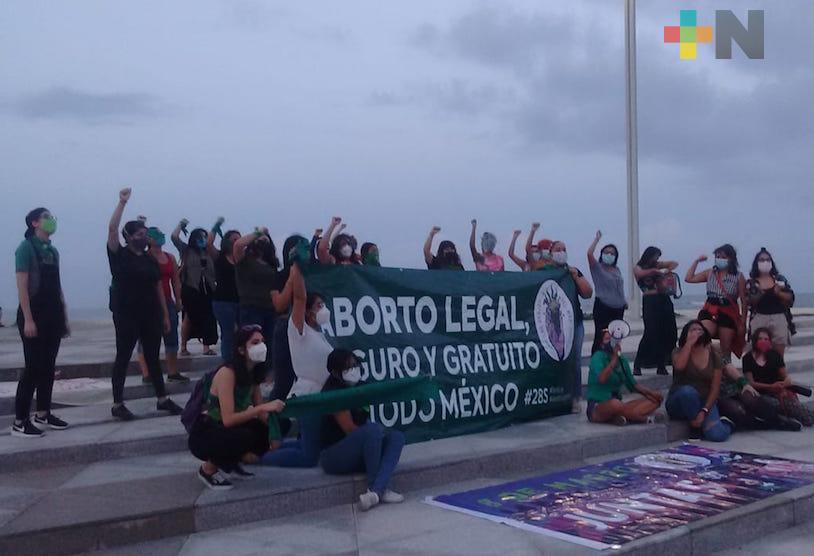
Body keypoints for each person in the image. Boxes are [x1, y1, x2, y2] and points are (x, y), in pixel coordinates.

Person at [107, 188, 182, 420]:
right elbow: (111, 229)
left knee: (152, 356)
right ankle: (118, 403)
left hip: (150, 315)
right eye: (138, 233)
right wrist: (122, 203)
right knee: (123, 356)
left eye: (144, 233)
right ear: (128, 236)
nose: (142, 237)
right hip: (126, 314)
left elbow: (157, 286)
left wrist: (165, 315)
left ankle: (162, 399)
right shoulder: (119, 254)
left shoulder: (150, 259)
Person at [188, 325, 285, 490]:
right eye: (255, 343)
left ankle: (231, 462)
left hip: (227, 428)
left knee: (271, 428)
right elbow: (228, 419)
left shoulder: (253, 372)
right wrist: (261, 409)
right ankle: (208, 470)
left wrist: (274, 432)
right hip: (207, 430)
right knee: (243, 435)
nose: (261, 346)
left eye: (262, 342)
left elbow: (260, 408)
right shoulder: (228, 373)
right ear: (241, 349)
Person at [262, 259, 333, 468]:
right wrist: (297, 269)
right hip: (307, 397)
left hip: (322, 398)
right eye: (319, 306)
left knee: (310, 446)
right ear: (308, 311)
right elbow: (300, 297)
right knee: (309, 457)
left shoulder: (321, 333)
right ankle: (260, 458)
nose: (323, 309)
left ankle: (272, 449)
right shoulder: (298, 331)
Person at [319, 348, 406, 511]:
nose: (353, 370)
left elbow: (386, 391)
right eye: (347, 368)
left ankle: (375, 493)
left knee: (397, 437)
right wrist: (375, 435)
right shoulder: (333, 394)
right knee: (373, 430)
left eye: (355, 365)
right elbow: (350, 430)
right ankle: (378, 487)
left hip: (358, 451)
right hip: (334, 456)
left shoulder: (361, 387)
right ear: (336, 372)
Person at [12, 207, 70, 437]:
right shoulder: (25, 248)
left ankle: (43, 413)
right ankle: (19, 420)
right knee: (33, 368)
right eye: (46, 217)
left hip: (53, 314)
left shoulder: (53, 251)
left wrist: (63, 316)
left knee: (48, 367)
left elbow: (58, 286)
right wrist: (28, 319)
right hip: (33, 314)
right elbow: (22, 286)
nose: (50, 221)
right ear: (34, 223)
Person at [666, 320, 733, 441]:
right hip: (679, 400)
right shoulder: (678, 351)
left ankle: (727, 424)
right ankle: (694, 427)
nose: (696, 332)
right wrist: (689, 344)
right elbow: (679, 366)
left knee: (717, 435)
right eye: (692, 330)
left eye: (699, 330)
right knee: (688, 392)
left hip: (704, 401)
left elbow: (715, 388)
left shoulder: (714, 355)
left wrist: (705, 410)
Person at [136, 226, 187, 383]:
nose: (160, 237)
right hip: (148, 302)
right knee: (145, 338)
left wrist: (178, 300)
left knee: (171, 337)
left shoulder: (169, 257)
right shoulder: (143, 257)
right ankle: (146, 373)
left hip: (167, 301)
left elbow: (176, 281)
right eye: (155, 235)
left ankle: (172, 371)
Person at [549, 240, 593, 413]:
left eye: (564, 249)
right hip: (553, 325)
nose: (561, 252)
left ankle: (575, 397)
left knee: (574, 360)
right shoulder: (544, 272)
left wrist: (576, 276)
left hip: (575, 323)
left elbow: (588, 293)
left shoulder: (572, 271)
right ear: (550, 252)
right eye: (558, 249)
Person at [586, 330, 664, 426]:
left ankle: (619, 417)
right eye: (607, 339)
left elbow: (633, 385)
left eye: (613, 339)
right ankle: (644, 418)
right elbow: (602, 379)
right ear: (601, 343)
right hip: (598, 405)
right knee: (615, 404)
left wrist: (652, 393)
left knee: (654, 401)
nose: (611, 342)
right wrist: (614, 360)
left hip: (618, 404)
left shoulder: (622, 360)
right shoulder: (597, 357)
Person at [686, 244, 747, 363]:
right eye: (717, 256)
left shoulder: (738, 276)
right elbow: (689, 278)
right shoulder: (710, 273)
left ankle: (726, 371)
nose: (719, 259)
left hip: (728, 311)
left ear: (731, 259)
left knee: (726, 347)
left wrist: (742, 323)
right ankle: (704, 363)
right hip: (710, 308)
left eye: (723, 257)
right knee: (701, 335)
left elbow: (744, 302)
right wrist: (697, 261)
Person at [744, 328, 813, 427]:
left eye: (766, 339)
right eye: (760, 339)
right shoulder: (747, 358)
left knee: (804, 415)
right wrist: (770, 386)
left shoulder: (775, 355)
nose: (763, 341)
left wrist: (785, 384)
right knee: (771, 405)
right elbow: (750, 382)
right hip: (759, 394)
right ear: (755, 341)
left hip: (778, 391)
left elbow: (785, 376)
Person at [717, 355, 802, 432]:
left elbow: (728, 366)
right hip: (717, 395)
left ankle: (778, 419)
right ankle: (761, 424)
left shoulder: (713, 349)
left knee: (751, 397)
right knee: (737, 410)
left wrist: (744, 383)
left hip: (731, 386)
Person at [233, 227, 280, 364]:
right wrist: (258, 233)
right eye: (259, 239)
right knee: (252, 344)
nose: (262, 241)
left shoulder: (270, 264)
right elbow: (238, 245)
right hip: (251, 308)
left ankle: (266, 375)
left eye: (265, 239)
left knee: (270, 345)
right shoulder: (244, 261)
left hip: (270, 309)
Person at [172, 222, 218, 356]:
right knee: (189, 317)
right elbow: (174, 237)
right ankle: (184, 347)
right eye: (200, 237)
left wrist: (215, 228)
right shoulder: (186, 250)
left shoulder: (209, 252)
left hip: (209, 288)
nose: (203, 240)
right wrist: (180, 225)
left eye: (205, 237)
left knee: (209, 317)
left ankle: (206, 346)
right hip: (191, 288)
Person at [633, 246, 678, 376]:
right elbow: (640, 274)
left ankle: (661, 364)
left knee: (666, 332)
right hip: (650, 301)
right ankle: (638, 363)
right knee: (650, 332)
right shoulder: (639, 267)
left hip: (663, 299)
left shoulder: (657, 265)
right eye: (655, 256)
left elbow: (674, 263)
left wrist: (666, 270)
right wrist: (656, 271)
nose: (656, 259)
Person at [746, 249, 795, 356]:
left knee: (778, 356)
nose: (765, 262)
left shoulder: (780, 279)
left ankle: (777, 372)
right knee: (758, 353)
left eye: (768, 260)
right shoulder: (752, 282)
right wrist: (759, 294)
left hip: (779, 318)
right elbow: (749, 301)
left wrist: (778, 293)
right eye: (762, 260)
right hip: (759, 318)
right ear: (756, 263)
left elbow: (790, 297)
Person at [587, 231, 626, 354]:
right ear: (602, 254)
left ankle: (613, 362)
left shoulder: (617, 270)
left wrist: (624, 301)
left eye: (612, 253)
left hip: (618, 308)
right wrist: (597, 239)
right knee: (601, 336)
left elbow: (619, 288)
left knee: (616, 337)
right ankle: (597, 364)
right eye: (607, 252)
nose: (609, 255)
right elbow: (589, 254)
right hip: (603, 306)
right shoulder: (597, 267)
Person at [208, 219, 242, 361]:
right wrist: (215, 227)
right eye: (234, 239)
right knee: (228, 333)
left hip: (241, 301)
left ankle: (240, 363)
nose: (237, 242)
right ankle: (227, 364)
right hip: (223, 301)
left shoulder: (242, 258)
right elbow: (208, 244)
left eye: (239, 239)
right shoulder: (219, 257)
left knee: (242, 333)